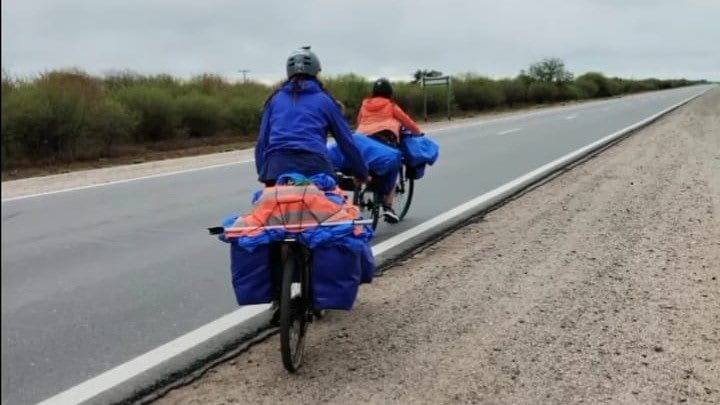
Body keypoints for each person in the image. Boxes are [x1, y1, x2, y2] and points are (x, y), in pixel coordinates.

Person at [255, 46, 369, 187]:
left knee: (271, 206)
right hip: (315, 165)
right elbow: (346, 141)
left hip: (276, 167)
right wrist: (361, 172)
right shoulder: (325, 100)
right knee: (332, 205)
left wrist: (264, 173)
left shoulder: (274, 100)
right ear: (317, 72)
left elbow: (262, 142)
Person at [356, 77, 423, 223]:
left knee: (365, 165)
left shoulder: (364, 105)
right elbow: (407, 121)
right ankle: (388, 207)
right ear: (389, 93)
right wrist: (418, 132)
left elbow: (359, 123)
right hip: (384, 141)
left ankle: (360, 199)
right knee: (394, 163)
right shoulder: (390, 106)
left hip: (363, 141)